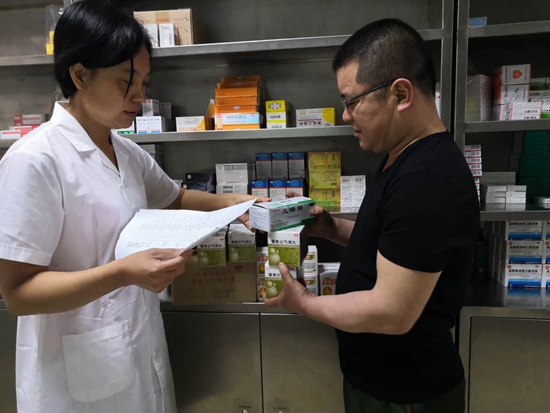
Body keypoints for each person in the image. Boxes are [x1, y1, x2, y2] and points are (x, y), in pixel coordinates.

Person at [0, 2, 261, 412]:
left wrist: (234, 202)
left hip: (136, 350)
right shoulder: (34, 160)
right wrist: (122, 273)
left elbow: (175, 197)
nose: (141, 95)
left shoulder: (125, 150)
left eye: (144, 81)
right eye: (127, 80)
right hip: (74, 375)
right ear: (80, 75)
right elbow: (18, 293)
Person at [264, 19, 480, 413]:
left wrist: (304, 303)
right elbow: (393, 244)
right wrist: (330, 228)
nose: (345, 115)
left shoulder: (427, 180)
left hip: (405, 395)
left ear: (400, 94)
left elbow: (391, 312)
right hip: (381, 384)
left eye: (351, 101)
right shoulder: (401, 158)